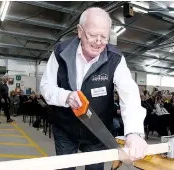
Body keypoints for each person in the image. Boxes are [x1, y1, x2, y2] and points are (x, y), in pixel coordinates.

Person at [40, 7, 147, 170]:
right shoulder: (61, 52)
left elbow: (129, 93)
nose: (99, 42)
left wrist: (134, 132)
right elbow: (46, 87)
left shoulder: (115, 59)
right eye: (93, 35)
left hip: (98, 133)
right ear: (79, 31)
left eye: (104, 37)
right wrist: (66, 97)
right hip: (65, 129)